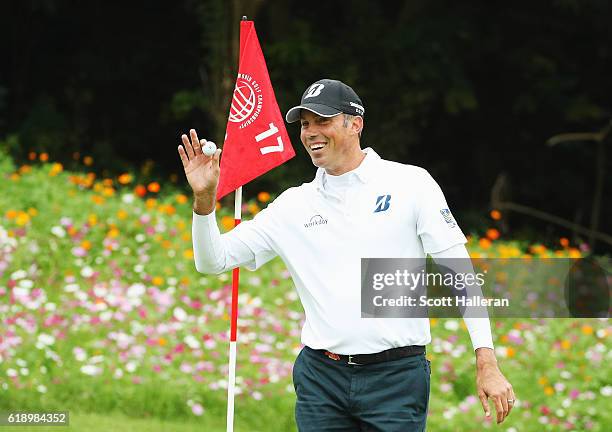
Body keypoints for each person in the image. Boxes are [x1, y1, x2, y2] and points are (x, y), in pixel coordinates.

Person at [177, 79, 515, 431]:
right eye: (305, 124)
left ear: (355, 124)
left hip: (396, 379)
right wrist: (204, 204)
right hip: (321, 379)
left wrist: (486, 360)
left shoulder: (411, 184)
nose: (311, 132)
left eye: (322, 121)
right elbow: (212, 261)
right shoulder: (293, 205)